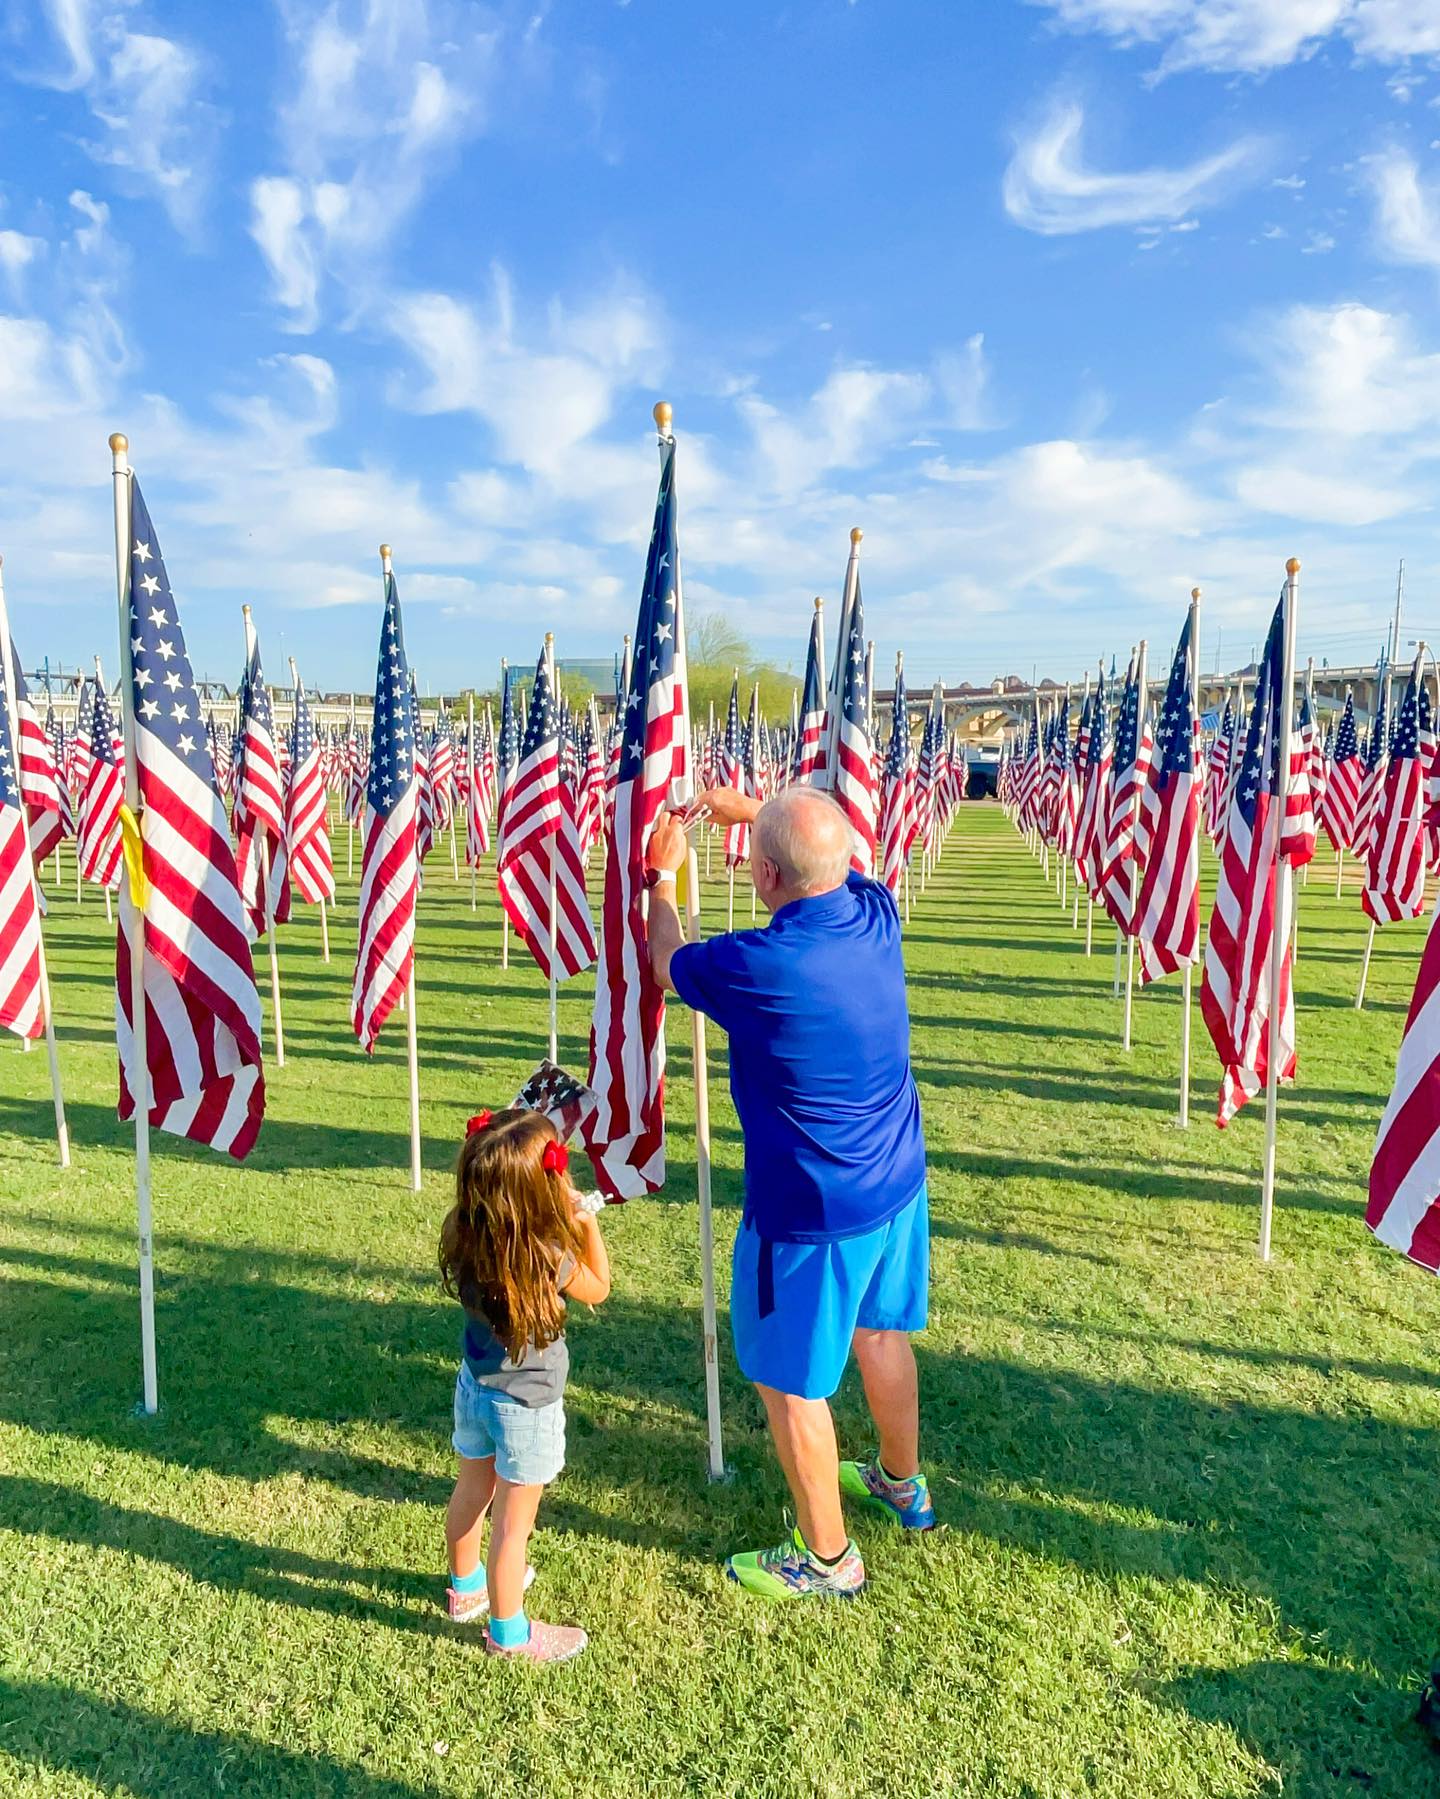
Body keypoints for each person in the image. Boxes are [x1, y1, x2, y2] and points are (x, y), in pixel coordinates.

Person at [645, 784, 933, 1601]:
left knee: (789, 1385)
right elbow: (845, 850)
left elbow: (667, 961)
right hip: (897, 1182)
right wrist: (760, 811)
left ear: (764, 874)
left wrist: (658, 880)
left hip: (810, 1216)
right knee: (882, 1336)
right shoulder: (877, 913)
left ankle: (828, 1559)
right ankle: (901, 1483)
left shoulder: (758, 964)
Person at [438, 1106, 610, 1660]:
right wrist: (586, 1223)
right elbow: (600, 1288)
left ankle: (466, 1589)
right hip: (527, 1406)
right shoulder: (549, 1255)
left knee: (471, 1492)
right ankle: (509, 1634)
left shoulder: (463, 1232)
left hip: (475, 1388)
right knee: (513, 1528)